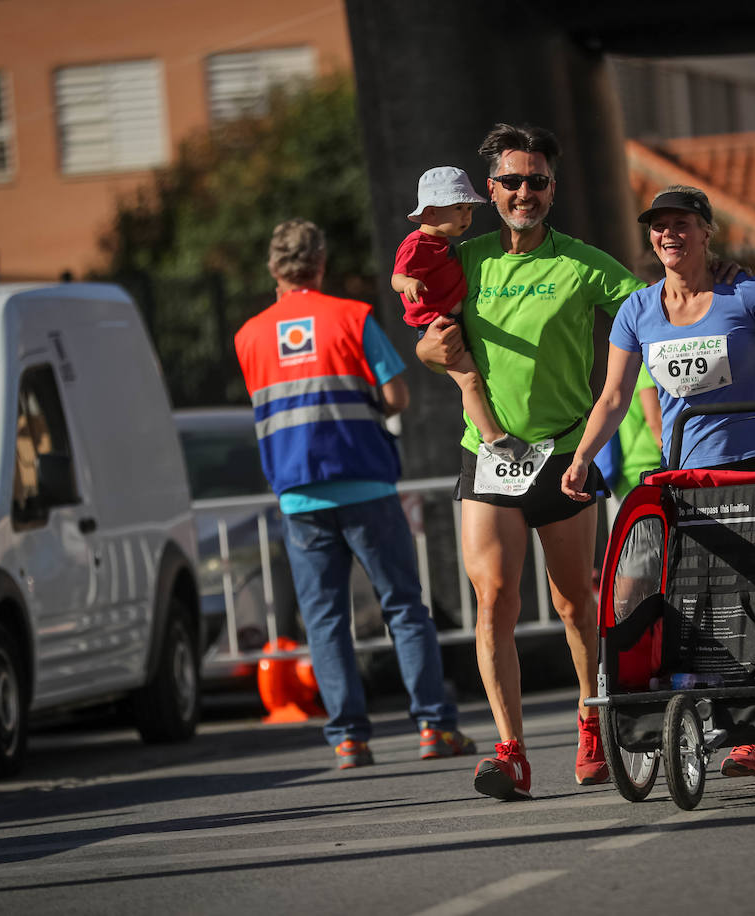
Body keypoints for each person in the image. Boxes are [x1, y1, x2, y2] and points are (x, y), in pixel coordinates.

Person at [416, 123, 652, 801]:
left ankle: (589, 717)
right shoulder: (467, 262)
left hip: (564, 454)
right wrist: (446, 362)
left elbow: (648, 313)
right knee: (494, 599)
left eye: (537, 181)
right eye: (513, 181)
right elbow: (428, 343)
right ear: (489, 190)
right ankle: (511, 751)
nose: (525, 191)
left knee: (575, 603)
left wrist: (711, 291)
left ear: (553, 189)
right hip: (489, 456)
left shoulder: (582, 264)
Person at [561, 184, 755, 778]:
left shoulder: (746, 291)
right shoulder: (638, 310)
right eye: (659, 226)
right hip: (685, 475)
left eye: (681, 223)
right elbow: (612, 397)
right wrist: (581, 458)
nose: (668, 234)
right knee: (689, 596)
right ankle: (678, 709)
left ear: (707, 231)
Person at [235, 219, 474, 770]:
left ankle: (348, 738)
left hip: (298, 493)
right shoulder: (351, 317)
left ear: (274, 269)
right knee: (403, 607)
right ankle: (434, 727)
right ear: (320, 264)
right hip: (364, 479)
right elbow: (396, 395)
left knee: (324, 619)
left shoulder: (248, 336)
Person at [390, 166, 526, 462]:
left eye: (469, 209)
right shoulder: (416, 244)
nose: (467, 216)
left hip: (455, 320)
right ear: (430, 214)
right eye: (458, 208)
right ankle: (494, 438)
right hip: (438, 326)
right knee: (470, 381)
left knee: (481, 377)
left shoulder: (445, 244)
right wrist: (409, 283)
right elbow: (396, 278)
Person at [594, 362, 663, 502]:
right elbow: (656, 421)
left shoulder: (635, 366)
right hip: (648, 471)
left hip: (632, 474)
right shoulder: (647, 365)